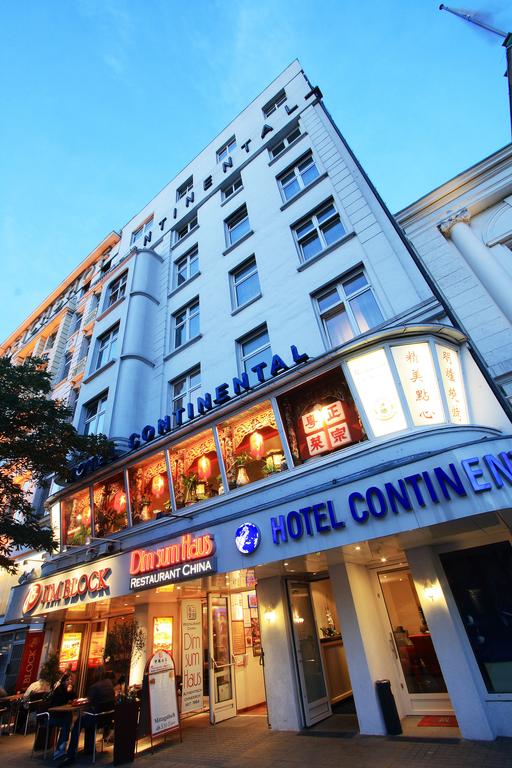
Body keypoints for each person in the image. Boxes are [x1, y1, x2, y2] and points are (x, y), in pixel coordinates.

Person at [59, 671, 115, 765]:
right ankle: (89, 748)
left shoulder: (95, 687)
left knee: (78, 723)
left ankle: (71, 754)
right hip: (106, 719)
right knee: (88, 717)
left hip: (96, 718)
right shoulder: (109, 685)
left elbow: (89, 702)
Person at [47, 673, 77, 760]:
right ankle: (61, 747)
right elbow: (60, 702)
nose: (69, 681)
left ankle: (62, 746)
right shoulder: (59, 690)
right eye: (67, 680)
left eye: (70, 680)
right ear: (63, 681)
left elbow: (75, 697)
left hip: (63, 715)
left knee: (68, 719)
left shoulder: (68, 689)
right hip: (55, 716)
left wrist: (71, 691)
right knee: (67, 722)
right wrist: (68, 693)